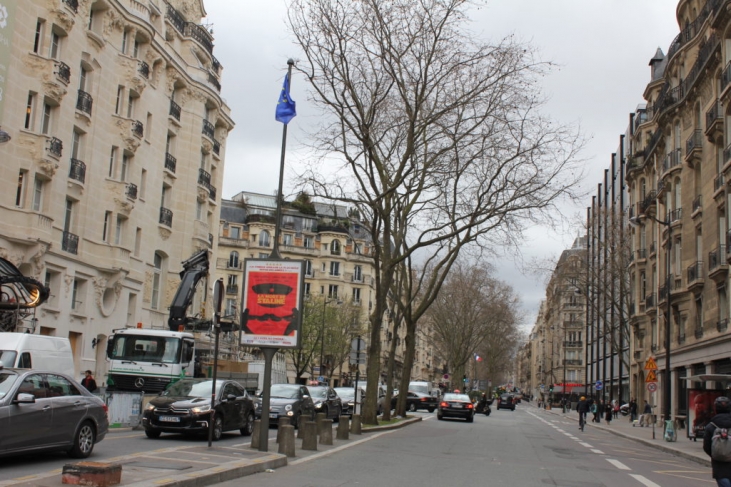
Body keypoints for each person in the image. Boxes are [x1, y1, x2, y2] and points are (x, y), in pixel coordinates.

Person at [703, 396, 731, 486]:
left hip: (719, 466)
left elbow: (706, 446)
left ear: (715, 409)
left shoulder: (710, 426)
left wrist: (716, 454)